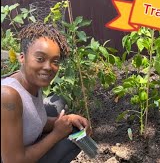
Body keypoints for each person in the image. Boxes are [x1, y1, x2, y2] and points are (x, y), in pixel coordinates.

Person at [1, 22, 92, 163]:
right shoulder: (8, 96)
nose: (48, 67)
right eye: (40, 59)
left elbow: (34, 121)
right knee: (73, 139)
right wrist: (56, 134)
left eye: (55, 61)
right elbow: (13, 161)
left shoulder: (31, 84)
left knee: (65, 114)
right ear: (22, 57)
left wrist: (66, 120)